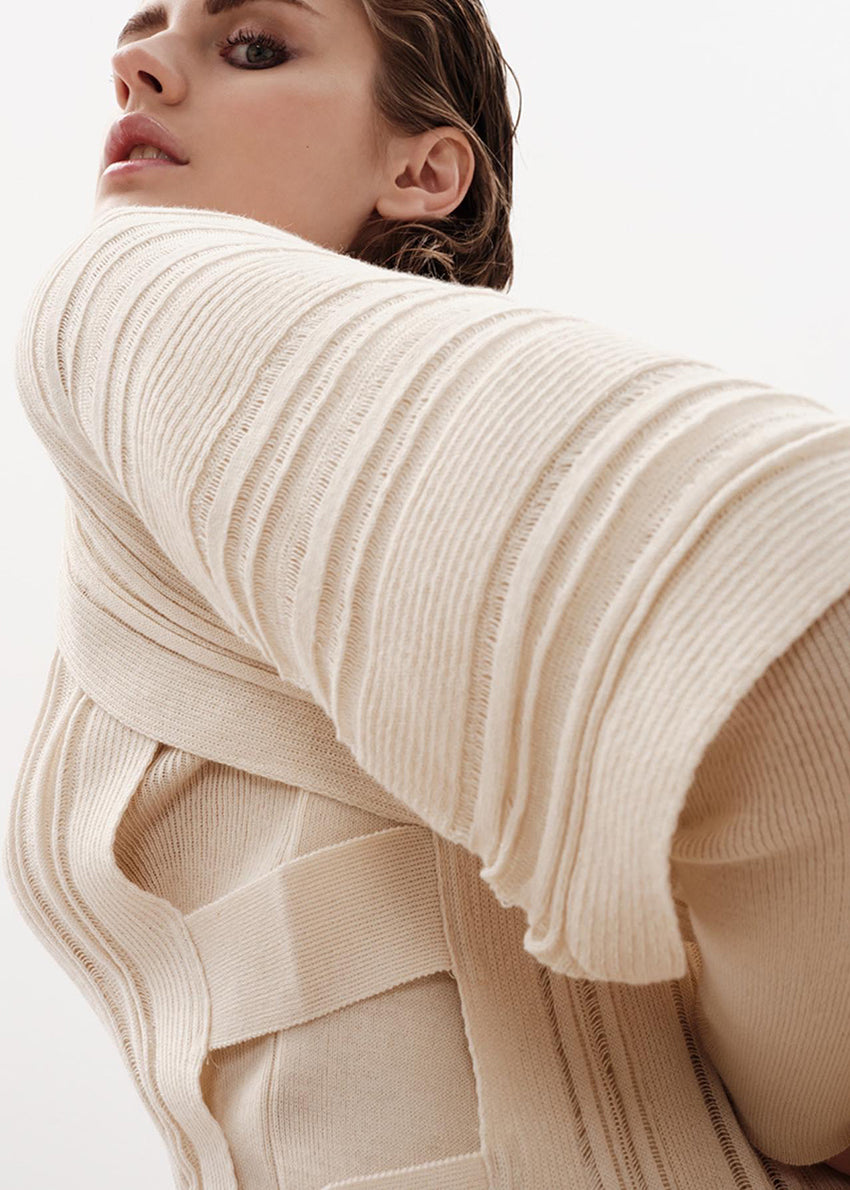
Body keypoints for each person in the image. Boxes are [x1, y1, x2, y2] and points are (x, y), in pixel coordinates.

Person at [5, 0, 850, 1185]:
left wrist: (814, 1102)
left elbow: (788, 570)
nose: (137, 65)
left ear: (423, 172)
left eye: (253, 46)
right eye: (141, 33)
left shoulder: (126, 286)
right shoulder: (224, 518)